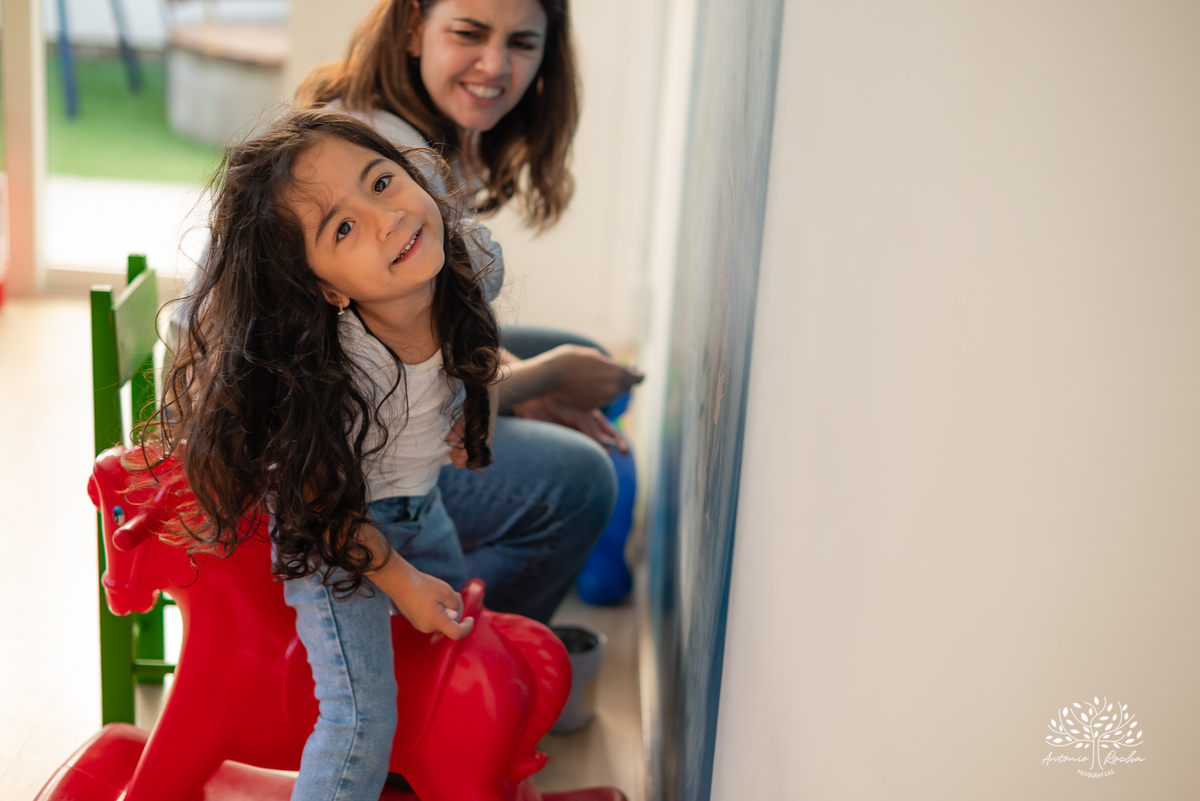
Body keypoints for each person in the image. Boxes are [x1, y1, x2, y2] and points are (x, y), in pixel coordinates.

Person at [159, 108, 499, 801]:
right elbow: (318, 511)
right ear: (327, 288)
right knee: (359, 718)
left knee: (443, 661)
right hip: (333, 541)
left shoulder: (470, 269)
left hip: (420, 507)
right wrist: (400, 579)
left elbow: (480, 347)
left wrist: (474, 415)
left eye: (382, 182)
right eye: (342, 228)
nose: (388, 219)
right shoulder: (331, 374)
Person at [297, 0, 643, 622]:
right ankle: (457, 648)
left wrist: (526, 380)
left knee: (573, 357)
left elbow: (443, 327)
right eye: (469, 33)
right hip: (333, 449)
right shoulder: (380, 148)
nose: (495, 65)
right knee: (580, 479)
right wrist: (544, 378)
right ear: (412, 28)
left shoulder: (417, 133)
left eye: (522, 43)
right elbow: (411, 382)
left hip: (382, 385)